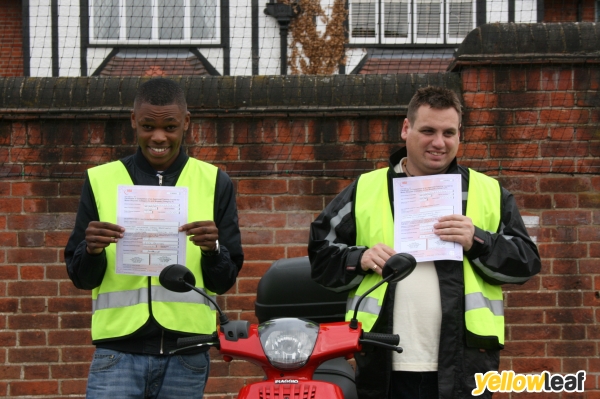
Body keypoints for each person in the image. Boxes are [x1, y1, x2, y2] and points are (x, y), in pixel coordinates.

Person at [308, 86, 541, 399]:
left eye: (449, 132)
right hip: (382, 359)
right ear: (406, 129)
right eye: (428, 130)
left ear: (460, 135)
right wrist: (360, 258)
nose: (439, 142)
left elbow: (526, 262)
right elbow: (321, 257)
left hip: (465, 363)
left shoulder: (489, 192)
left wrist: (479, 241)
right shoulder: (366, 188)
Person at [64, 78, 244, 398]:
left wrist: (213, 250)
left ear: (186, 123)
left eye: (170, 127)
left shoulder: (215, 181)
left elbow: (223, 281)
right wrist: (90, 250)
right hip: (118, 351)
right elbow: (81, 278)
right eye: (148, 125)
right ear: (133, 120)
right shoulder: (101, 180)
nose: (158, 137)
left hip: (187, 353)